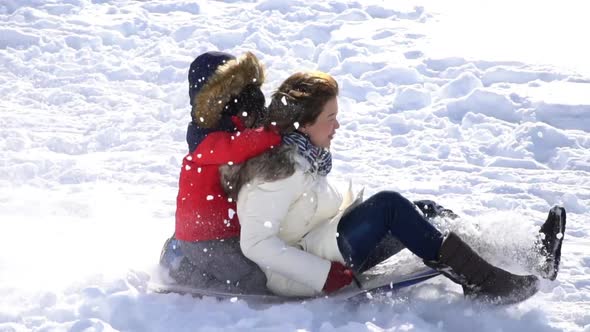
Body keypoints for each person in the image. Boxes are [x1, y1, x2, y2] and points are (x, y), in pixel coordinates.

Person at [220, 71, 566, 304]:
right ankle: (484, 284)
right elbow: (256, 243)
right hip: (302, 272)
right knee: (390, 206)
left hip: (324, 245)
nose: (337, 125)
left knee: (424, 211)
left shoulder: (302, 154)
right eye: (330, 118)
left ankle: (531, 256)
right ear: (304, 122)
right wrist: (323, 276)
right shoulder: (275, 172)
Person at [159, 51, 281, 294]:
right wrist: (277, 132)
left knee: (262, 264)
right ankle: (184, 272)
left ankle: (182, 255)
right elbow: (241, 147)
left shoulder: (234, 128)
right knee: (253, 279)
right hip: (205, 239)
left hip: (226, 233)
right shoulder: (207, 141)